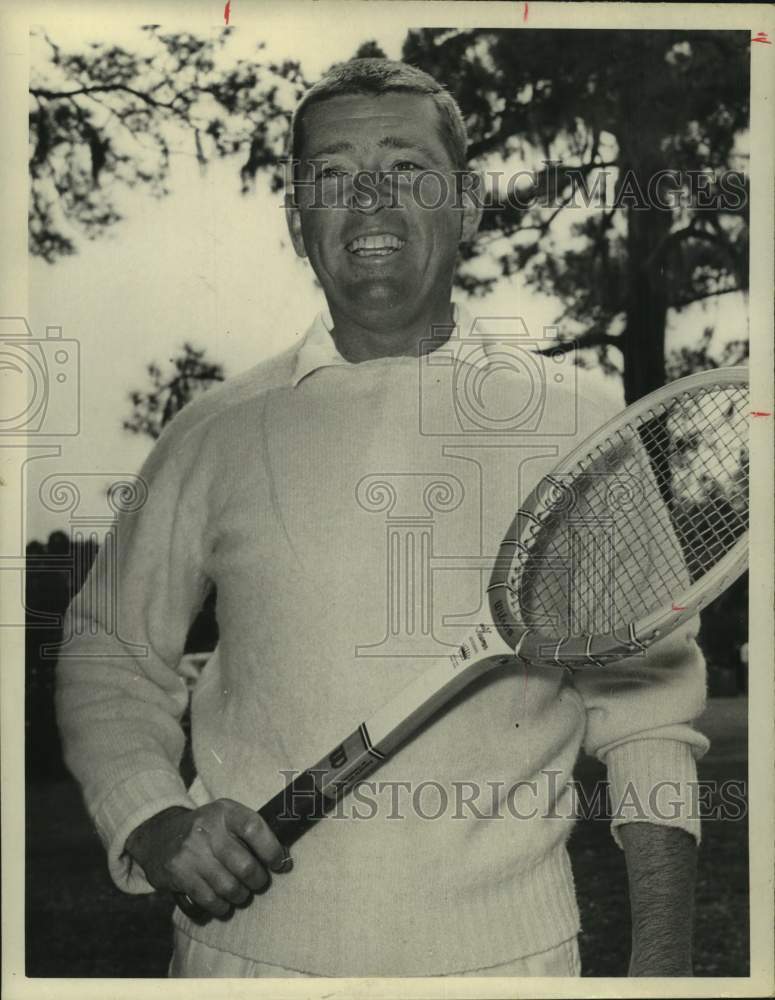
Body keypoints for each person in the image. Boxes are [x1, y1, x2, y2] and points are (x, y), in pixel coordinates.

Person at [56, 58, 709, 979]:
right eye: (331, 175)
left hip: (508, 969)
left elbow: (647, 712)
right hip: (241, 967)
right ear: (297, 221)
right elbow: (108, 647)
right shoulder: (212, 433)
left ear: (468, 205)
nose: (369, 198)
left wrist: (664, 962)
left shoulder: (576, 424)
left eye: (407, 166)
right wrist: (148, 812)